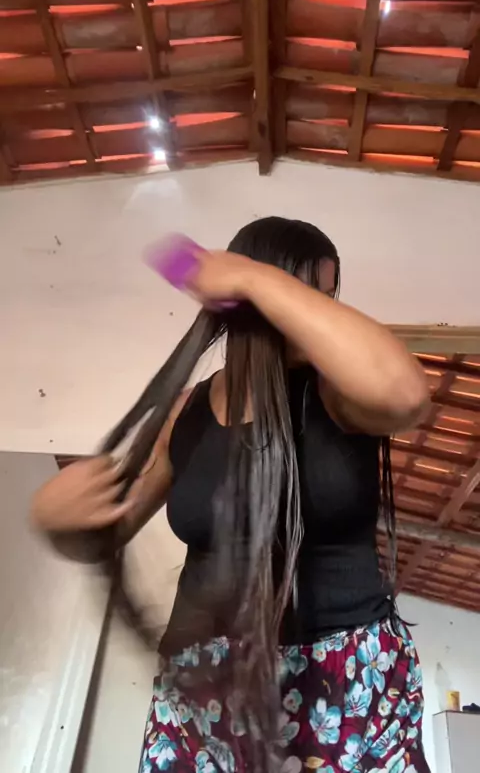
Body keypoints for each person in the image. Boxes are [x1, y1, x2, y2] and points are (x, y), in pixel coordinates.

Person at [31, 217, 431, 773]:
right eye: (310, 289)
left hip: (341, 678)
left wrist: (251, 277)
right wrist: (57, 521)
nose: (316, 309)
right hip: (202, 686)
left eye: (326, 295)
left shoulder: (339, 395)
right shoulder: (188, 411)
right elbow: (110, 529)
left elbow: (406, 394)